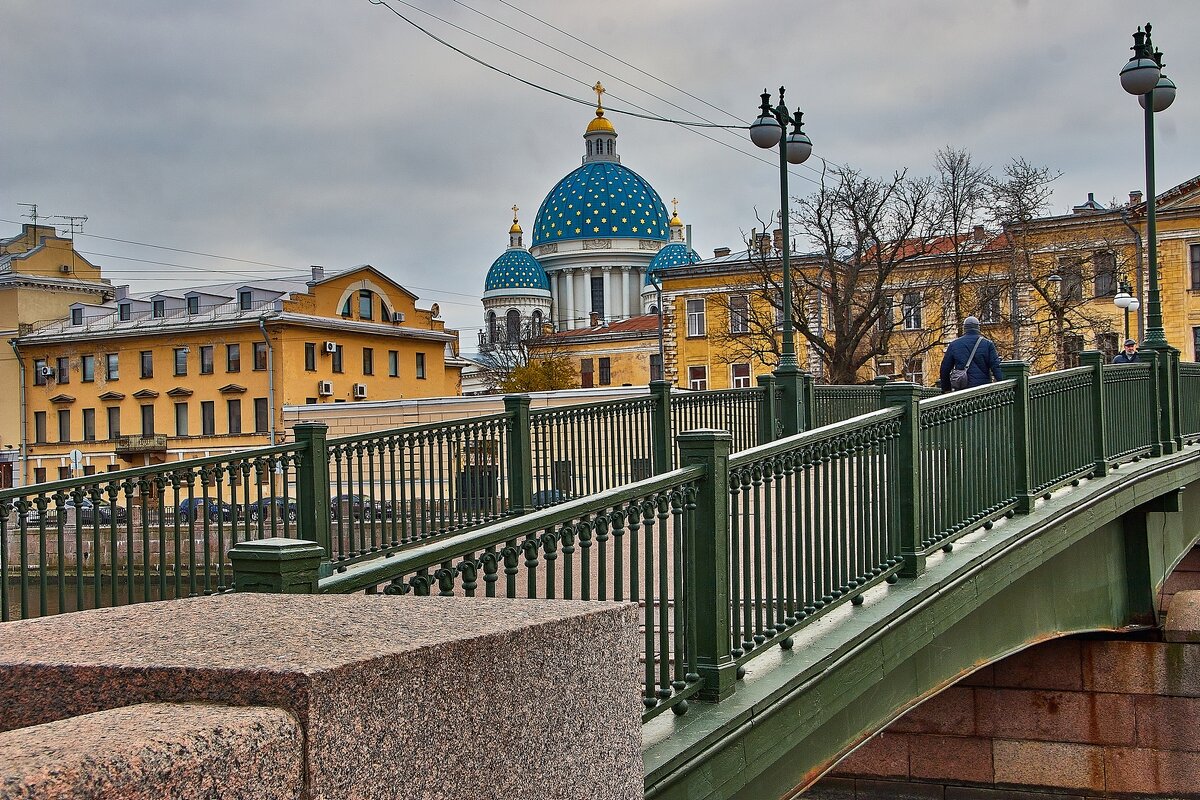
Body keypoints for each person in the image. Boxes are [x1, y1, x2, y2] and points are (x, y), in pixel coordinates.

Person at [939, 316, 1003, 392]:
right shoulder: (988, 344)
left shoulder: (954, 345)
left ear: (964, 328)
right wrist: (1002, 386)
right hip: (983, 389)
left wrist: (946, 389)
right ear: (978, 328)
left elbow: (945, 369)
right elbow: (996, 367)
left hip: (962, 390)